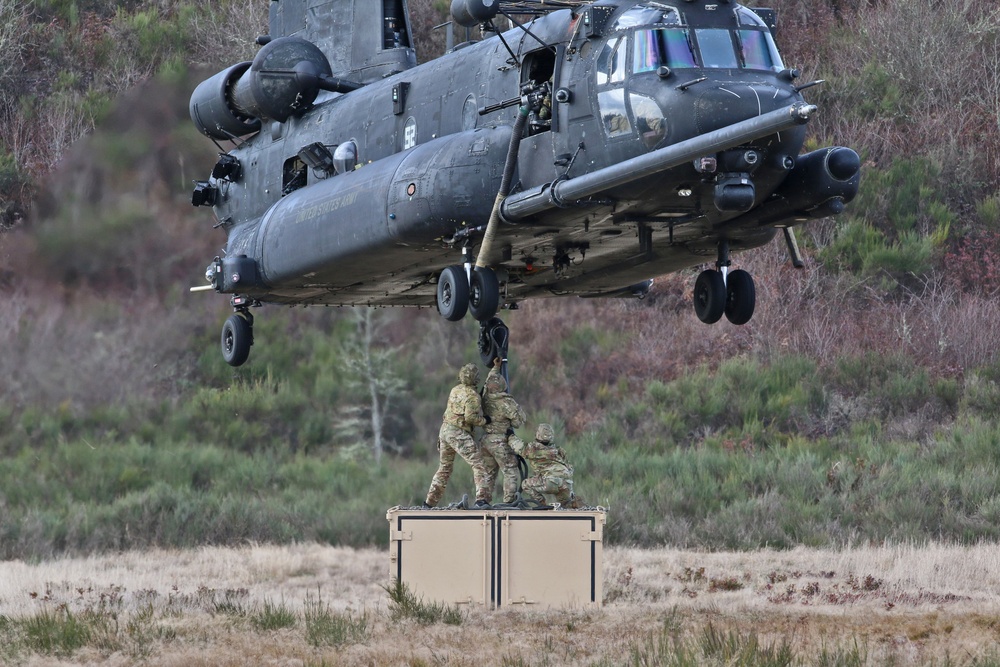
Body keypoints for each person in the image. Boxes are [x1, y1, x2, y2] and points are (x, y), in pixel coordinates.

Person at [424, 363, 491, 508]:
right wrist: (486, 420)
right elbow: (470, 418)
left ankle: (429, 503)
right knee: (478, 463)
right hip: (458, 433)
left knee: (444, 468)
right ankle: (482, 500)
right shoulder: (473, 396)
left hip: (445, 431)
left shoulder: (455, 390)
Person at [480, 359, 526, 504]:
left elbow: (489, 380)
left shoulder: (484, 396)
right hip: (500, 441)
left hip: (486, 441)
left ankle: (482, 501)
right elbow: (519, 421)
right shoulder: (506, 402)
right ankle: (509, 502)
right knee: (510, 470)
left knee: (487, 473)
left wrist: (496, 367)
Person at [512, 423, 584, 508]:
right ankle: (573, 503)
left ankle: (542, 505)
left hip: (551, 482)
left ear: (538, 434)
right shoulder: (559, 450)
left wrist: (510, 437)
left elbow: (518, 447)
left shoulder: (534, 449)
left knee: (526, 484)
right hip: (566, 482)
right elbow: (569, 467)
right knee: (566, 506)